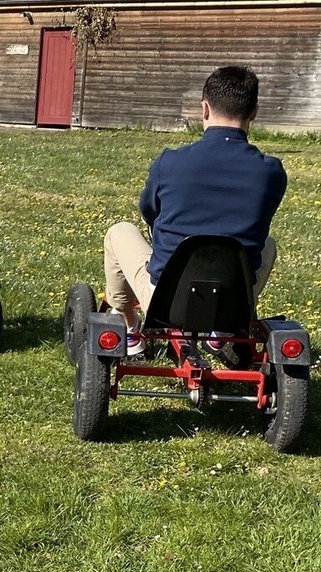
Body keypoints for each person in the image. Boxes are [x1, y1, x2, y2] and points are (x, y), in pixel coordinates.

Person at [102, 65, 287, 355]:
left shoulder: (171, 162)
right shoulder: (271, 172)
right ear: (254, 112)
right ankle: (222, 330)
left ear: (204, 109)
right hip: (233, 300)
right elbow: (262, 219)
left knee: (119, 232)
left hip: (166, 300)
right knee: (269, 245)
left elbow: (149, 211)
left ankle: (129, 325)